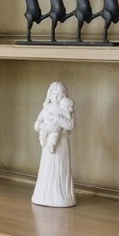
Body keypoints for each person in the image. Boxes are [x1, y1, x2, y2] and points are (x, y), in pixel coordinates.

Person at [32, 80, 76, 208]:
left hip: (60, 144)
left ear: (64, 96)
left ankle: (61, 196)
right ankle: (44, 194)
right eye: (53, 95)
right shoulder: (46, 108)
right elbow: (37, 122)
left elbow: (71, 125)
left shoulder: (65, 108)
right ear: (49, 95)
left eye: (59, 96)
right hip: (47, 143)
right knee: (47, 167)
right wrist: (41, 126)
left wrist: (58, 119)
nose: (55, 98)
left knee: (60, 168)